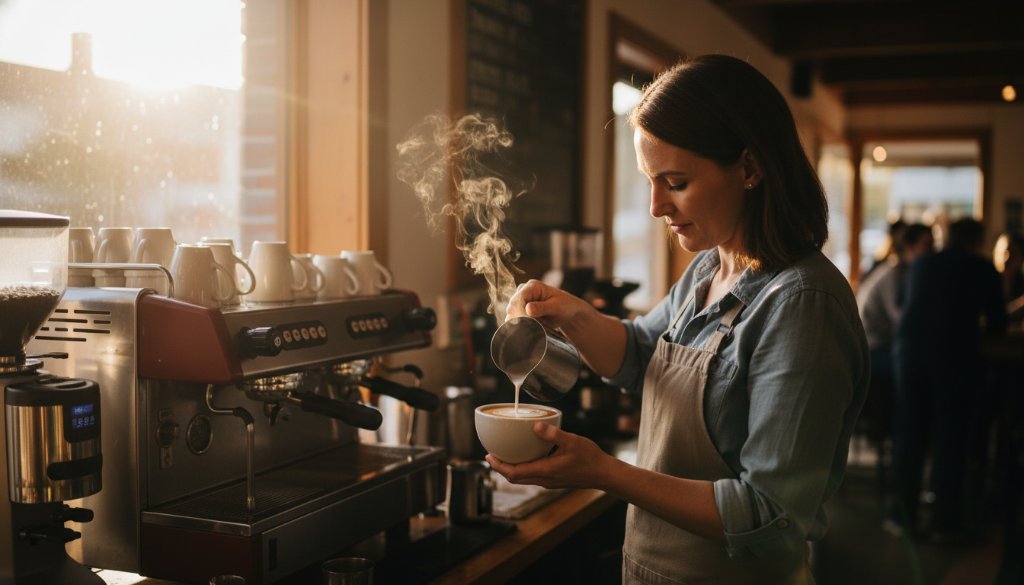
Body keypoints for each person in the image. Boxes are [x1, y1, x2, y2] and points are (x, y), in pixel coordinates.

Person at [489, 54, 869, 584]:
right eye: (650, 180)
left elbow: (771, 517)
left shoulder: (803, 305)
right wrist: (570, 313)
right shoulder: (708, 269)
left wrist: (603, 472)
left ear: (751, 168)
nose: (654, 207)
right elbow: (642, 354)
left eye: (675, 182)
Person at [889, 217, 1007, 539]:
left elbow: (902, 302)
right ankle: (945, 521)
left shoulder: (922, 263)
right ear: (978, 240)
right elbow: (998, 323)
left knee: (910, 433)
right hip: (953, 358)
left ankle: (902, 516)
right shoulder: (983, 268)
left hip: (908, 354)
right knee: (949, 437)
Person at [855, 223, 934, 454]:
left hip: (885, 345)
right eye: (926, 245)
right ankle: (904, 441)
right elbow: (898, 319)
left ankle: (907, 441)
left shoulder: (903, 272)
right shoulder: (893, 274)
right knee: (918, 373)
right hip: (871, 349)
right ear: (909, 248)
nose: (931, 251)